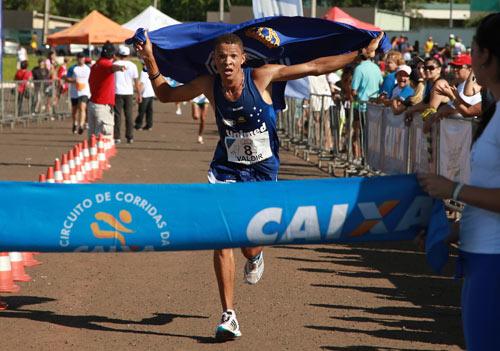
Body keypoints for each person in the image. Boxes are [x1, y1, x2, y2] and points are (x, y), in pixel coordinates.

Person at [135, 29, 384, 340]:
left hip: (263, 172)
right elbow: (166, 95)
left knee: (249, 243)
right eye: (221, 57)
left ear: (242, 59)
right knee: (222, 237)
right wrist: (149, 60)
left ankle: (255, 255)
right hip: (226, 169)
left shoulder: (262, 77)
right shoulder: (208, 84)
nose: (227, 62)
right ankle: (229, 315)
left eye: (232, 57)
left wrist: (360, 55)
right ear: (215, 60)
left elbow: (315, 67)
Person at [417, 13, 500, 350]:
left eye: (474, 48)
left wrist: (452, 189)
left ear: (484, 55)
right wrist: (450, 231)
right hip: (479, 257)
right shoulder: (494, 110)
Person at [88, 42, 125, 140]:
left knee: (92, 138)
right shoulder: (106, 64)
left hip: (93, 103)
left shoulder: (96, 65)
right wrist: (120, 68)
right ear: (113, 54)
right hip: (103, 106)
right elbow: (111, 67)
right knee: (103, 139)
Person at [351, 51, 383, 164]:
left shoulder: (359, 69)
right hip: (374, 107)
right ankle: (368, 159)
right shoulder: (376, 68)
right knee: (371, 135)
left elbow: (354, 90)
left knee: (358, 133)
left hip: (361, 106)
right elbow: (380, 83)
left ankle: (359, 158)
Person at [114, 45, 140, 144]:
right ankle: (130, 136)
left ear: (119, 54)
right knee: (129, 115)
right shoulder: (133, 65)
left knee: (117, 115)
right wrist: (139, 94)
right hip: (128, 92)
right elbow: (136, 81)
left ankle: (117, 137)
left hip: (117, 92)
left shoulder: (115, 64)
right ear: (128, 55)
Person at [65, 52, 91, 134]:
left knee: (82, 107)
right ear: (77, 59)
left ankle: (81, 125)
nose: (81, 60)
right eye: (79, 58)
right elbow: (67, 78)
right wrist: (74, 81)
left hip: (85, 91)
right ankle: (75, 123)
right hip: (75, 92)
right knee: (74, 110)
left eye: (82, 58)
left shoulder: (88, 69)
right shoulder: (72, 68)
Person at [135, 64, 156, 131]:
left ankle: (138, 125)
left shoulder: (143, 72)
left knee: (141, 110)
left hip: (145, 94)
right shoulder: (152, 70)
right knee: (149, 111)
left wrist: (139, 94)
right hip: (151, 93)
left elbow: (142, 84)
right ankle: (149, 125)